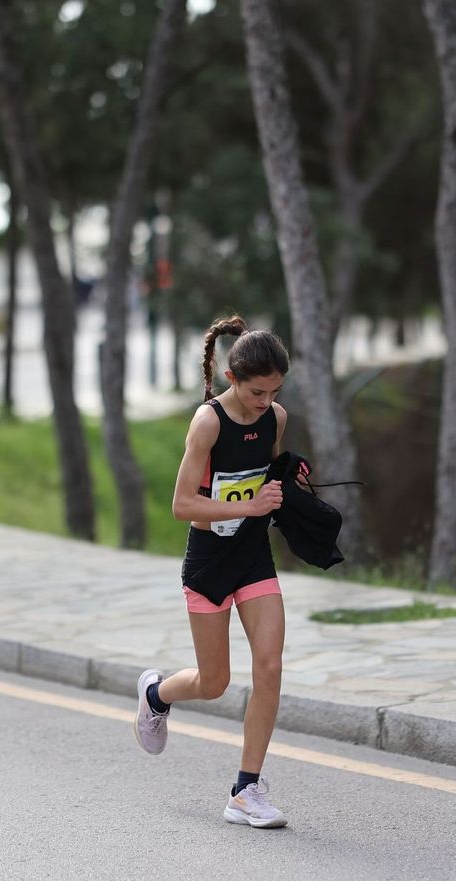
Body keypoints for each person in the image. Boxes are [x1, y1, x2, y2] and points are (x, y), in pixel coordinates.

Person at [133, 314, 308, 829]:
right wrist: (246, 508)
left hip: (253, 557)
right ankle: (155, 694)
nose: (266, 401)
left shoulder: (275, 417)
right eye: (257, 391)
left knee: (270, 667)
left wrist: (288, 481)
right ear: (232, 379)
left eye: (274, 391)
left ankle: (245, 790)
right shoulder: (208, 422)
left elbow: (266, 474)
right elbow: (182, 504)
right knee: (214, 682)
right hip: (209, 562)